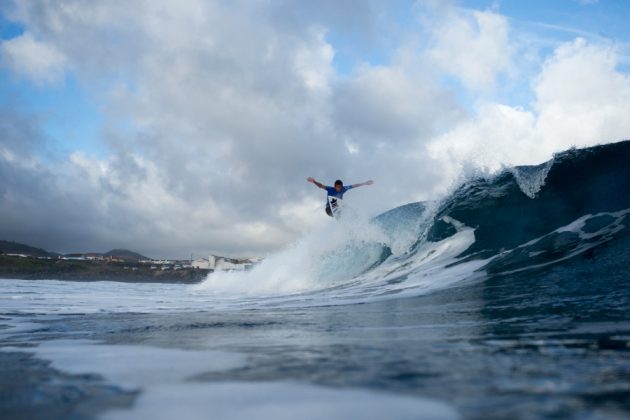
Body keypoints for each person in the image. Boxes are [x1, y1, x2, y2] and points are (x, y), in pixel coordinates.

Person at [307, 177, 374, 217]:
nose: (339, 188)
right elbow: (321, 186)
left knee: (345, 209)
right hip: (329, 209)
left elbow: (354, 186)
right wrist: (314, 181)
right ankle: (340, 216)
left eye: (340, 187)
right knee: (338, 207)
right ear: (334, 186)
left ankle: (348, 223)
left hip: (338, 208)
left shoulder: (343, 189)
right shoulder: (330, 189)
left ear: (341, 186)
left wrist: (364, 183)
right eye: (337, 187)